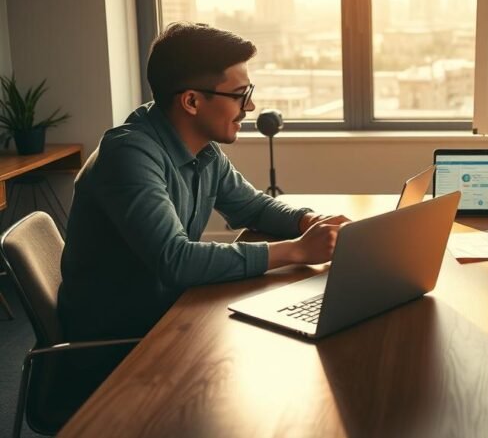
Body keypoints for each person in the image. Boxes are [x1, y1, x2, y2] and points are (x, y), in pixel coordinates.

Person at [57, 23, 346, 385]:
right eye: (240, 94)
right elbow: (176, 260)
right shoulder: (128, 156)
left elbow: (253, 207)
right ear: (192, 101)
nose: (251, 106)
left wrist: (309, 221)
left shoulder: (202, 148)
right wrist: (297, 251)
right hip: (120, 347)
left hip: (174, 313)